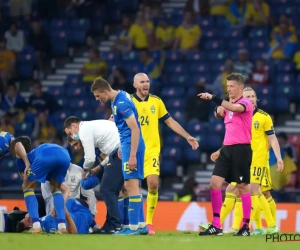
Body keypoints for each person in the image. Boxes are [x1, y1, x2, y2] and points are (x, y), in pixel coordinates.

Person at [200, 87, 284, 235]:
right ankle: (231, 225)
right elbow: (235, 138)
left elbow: (272, 138)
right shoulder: (239, 116)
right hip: (242, 158)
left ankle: (270, 225)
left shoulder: (264, 117)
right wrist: (221, 151)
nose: (250, 99)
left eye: (253, 96)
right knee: (233, 189)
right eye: (247, 96)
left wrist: (278, 158)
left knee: (255, 190)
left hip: (258, 159)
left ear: (256, 98)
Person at [131, 73, 199, 234]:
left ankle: (149, 223)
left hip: (152, 150)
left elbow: (170, 121)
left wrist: (187, 136)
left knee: (153, 184)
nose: (146, 84)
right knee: (133, 188)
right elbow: (114, 121)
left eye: (147, 81)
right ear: (135, 85)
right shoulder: (128, 101)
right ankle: (134, 223)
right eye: (142, 82)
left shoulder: (156, 101)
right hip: (133, 150)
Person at [198, 73, 253, 236]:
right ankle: (216, 225)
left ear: (240, 88)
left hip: (241, 150)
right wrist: (217, 109)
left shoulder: (245, 103)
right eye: (227, 86)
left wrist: (214, 99)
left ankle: (245, 226)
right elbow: (220, 112)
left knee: (243, 187)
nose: (229, 89)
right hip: (226, 150)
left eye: (232, 86)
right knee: (214, 183)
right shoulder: (229, 105)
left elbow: (235, 109)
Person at [91, 77, 146, 235]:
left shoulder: (122, 103)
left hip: (132, 146)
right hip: (127, 146)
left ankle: (134, 228)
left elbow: (135, 129)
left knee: (131, 186)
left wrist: (133, 154)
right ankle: (140, 225)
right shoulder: (119, 98)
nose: (98, 99)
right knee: (130, 185)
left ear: (105, 91)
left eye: (98, 96)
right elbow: (120, 124)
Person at [63, 117, 125, 234]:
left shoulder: (84, 130)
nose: (76, 147)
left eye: (71, 133)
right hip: (119, 151)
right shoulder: (91, 131)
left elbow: (90, 159)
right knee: (111, 190)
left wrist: (85, 170)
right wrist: (99, 168)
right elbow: (107, 156)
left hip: (119, 152)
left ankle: (116, 225)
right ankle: (109, 224)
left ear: (75, 126)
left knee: (107, 189)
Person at [13, 136, 70, 233]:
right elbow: (66, 188)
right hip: (65, 155)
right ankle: (62, 226)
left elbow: (17, 144)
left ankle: (36, 226)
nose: (23, 178)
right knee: (56, 189)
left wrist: (27, 163)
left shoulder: (21, 161)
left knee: (26, 187)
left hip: (45, 155)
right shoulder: (43, 169)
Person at [41, 163, 100, 232]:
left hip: (74, 205)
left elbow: (90, 195)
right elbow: (48, 198)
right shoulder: (48, 174)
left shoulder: (79, 170)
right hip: (57, 208)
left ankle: (91, 223)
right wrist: (51, 215)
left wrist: (92, 213)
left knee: (72, 201)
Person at [16, 198, 94, 234]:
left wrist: (58, 208)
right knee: (70, 201)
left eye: (25, 218)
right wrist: (65, 213)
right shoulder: (49, 227)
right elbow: (73, 232)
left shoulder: (41, 222)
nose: (28, 217)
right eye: (29, 220)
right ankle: (94, 225)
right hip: (82, 218)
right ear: (31, 229)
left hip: (74, 210)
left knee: (69, 201)